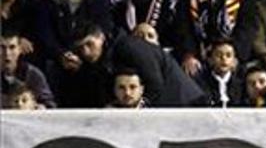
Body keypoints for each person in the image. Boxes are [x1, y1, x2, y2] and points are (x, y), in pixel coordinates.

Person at [63, 21, 205, 107]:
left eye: (89, 44)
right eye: (80, 48)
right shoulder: (101, 59)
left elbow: (154, 84)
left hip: (183, 102)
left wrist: (133, 109)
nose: (86, 52)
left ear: (101, 38)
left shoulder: (130, 47)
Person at [1, 31, 55, 108]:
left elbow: (49, 104)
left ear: (19, 49)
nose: (7, 53)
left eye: (12, 47)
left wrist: (40, 107)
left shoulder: (33, 74)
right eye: (2, 47)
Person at [194, 37, 244, 107]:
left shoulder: (241, 85)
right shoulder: (200, 84)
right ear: (210, 60)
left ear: (234, 61)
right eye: (218, 55)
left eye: (228, 55)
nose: (224, 59)